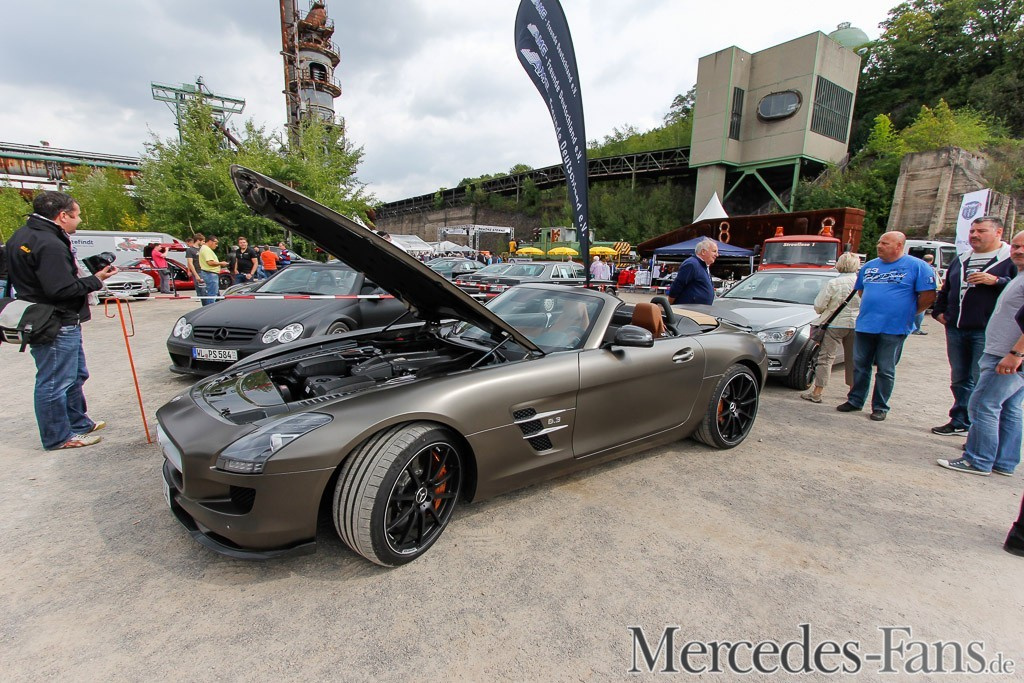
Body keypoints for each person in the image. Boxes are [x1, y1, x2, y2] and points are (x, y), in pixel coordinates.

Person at [5, 191, 118, 450]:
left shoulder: (22, 236)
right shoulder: (49, 244)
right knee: (55, 381)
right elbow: (61, 289)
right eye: (77, 215)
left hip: (47, 317)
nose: (79, 220)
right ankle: (58, 437)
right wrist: (96, 279)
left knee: (75, 375)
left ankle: (78, 423)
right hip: (55, 321)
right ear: (63, 215)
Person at [937, 231, 1024, 476]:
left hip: (1007, 356)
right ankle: (1004, 461)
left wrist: (1016, 353)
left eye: (1023, 247)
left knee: (984, 404)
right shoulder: (1019, 276)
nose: (1017, 251)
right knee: (1009, 407)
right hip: (1005, 353)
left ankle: (978, 460)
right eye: (1015, 246)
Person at [836, 231, 936, 421]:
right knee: (860, 365)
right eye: (879, 242)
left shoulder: (918, 266)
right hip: (866, 325)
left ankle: (880, 407)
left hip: (894, 328)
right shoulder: (870, 266)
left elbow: (928, 297)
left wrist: (907, 313)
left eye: (885, 243)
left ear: (899, 246)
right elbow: (861, 292)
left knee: (885, 368)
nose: (879, 246)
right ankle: (855, 400)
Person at [930, 216, 1014, 436]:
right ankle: (960, 419)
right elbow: (947, 288)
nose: (974, 235)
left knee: (981, 380)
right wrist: (939, 312)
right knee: (959, 377)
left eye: (981, 231)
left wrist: (996, 281)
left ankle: (980, 431)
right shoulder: (962, 258)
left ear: (998, 232)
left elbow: (1018, 290)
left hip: (986, 331)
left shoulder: (1008, 259)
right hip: (956, 328)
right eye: (972, 231)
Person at [801, 252, 861, 403]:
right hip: (856, 324)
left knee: (826, 358)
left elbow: (819, 305)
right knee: (853, 359)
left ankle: (817, 392)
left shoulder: (833, 283)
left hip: (834, 324)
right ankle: (853, 391)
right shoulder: (861, 283)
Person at [667, 238, 718, 305]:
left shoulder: (703, 266)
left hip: (700, 309)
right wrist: (669, 304)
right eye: (714, 251)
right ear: (703, 252)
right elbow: (677, 285)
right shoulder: (692, 264)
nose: (717, 255)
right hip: (688, 309)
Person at [198, 235, 227, 306]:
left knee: (213, 293)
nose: (216, 245)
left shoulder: (204, 248)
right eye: (215, 243)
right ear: (210, 241)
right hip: (210, 274)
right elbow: (210, 262)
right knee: (212, 294)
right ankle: (210, 308)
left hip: (209, 273)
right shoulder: (206, 249)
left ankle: (212, 307)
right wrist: (221, 263)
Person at [185, 233, 205, 299]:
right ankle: (199, 296)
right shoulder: (190, 250)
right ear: (198, 240)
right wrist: (194, 274)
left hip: (204, 270)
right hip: (197, 270)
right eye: (202, 241)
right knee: (199, 286)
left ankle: (204, 298)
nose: (203, 242)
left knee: (204, 287)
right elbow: (190, 263)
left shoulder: (202, 248)